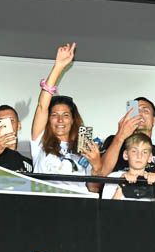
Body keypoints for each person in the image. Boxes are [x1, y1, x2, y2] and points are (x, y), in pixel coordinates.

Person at [30, 43, 102, 193]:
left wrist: (96, 165)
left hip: (77, 204)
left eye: (66, 115)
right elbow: (42, 106)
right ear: (48, 119)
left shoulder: (84, 148)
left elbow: (94, 190)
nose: (60, 120)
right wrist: (58, 67)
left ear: (73, 120)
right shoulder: (40, 142)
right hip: (45, 202)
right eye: (54, 115)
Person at [100, 97, 155, 187]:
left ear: (154, 120)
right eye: (136, 111)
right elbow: (100, 176)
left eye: (145, 111)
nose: (140, 114)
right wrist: (120, 136)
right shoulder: (114, 141)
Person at [102, 133, 155, 202]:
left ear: (150, 157)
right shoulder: (114, 177)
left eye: (144, 152)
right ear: (126, 155)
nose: (139, 156)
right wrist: (121, 185)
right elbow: (106, 208)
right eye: (134, 151)